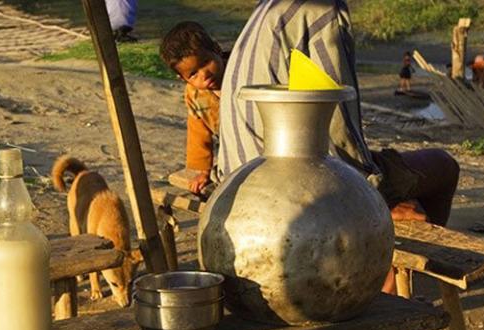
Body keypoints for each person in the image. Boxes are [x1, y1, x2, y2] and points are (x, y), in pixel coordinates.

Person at [218, 1, 460, 293]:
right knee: (443, 166)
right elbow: (339, 122)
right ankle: (384, 291)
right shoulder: (321, 9)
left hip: (240, 171)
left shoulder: (268, 8)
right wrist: (370, 195)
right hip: (290, 181)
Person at [160, 21, 227, 194]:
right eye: (193, 74)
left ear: (217, 49)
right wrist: (203, 171)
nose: (204, 75)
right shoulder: (195, 94)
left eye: (205, 62)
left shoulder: (239, 72)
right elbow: (198, 132)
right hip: (229, 148)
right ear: (183, 78)